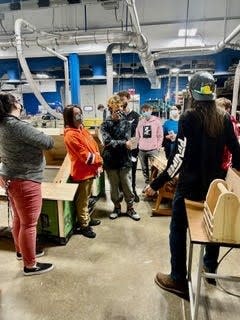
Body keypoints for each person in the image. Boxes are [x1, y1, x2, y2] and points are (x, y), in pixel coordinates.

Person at [145, 71, 240, 299]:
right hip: (213, 188)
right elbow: (237, 154)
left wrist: (156, 184)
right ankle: (210, 268)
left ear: (191, 92)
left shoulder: (188, 118)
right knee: (213, 227)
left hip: (188, 187)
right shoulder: (223, 117)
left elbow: (177, 158)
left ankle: (178, 278)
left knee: (178, 229)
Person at [0, 93, 54, 276]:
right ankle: (30, 265)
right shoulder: (17, 126)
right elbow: (48, 142)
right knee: (29, 224)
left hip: (9, 176)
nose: (20, 103)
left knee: (19, 219)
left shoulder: (2, 125)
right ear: (13, 105)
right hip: (25, 179)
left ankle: (21, 251)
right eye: (17, 100)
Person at [63, 105, 103, 238]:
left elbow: (94, 147)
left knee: (87, 198)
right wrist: (100, 159)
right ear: (69, 118)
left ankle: (86, 218)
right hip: (82, 173)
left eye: (80, 113)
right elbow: (87, 157)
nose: (80, 116)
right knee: (82, 201)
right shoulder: (71, 136)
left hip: (90, 171)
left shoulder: (82, 130)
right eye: (76, 114)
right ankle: (84, 225)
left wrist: (97, 159)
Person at [101, 95, 140, 221]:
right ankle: (117, 207)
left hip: (125, 160)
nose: (119, 110)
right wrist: (123, 143)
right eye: (115, 108)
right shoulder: (106, 124)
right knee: (114, 187)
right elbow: (107, 142)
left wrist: (129, 143)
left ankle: (130, 208)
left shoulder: (126, 123)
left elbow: (129, 139)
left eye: (121, 107)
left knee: (127, 185)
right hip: (110, 160)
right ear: (110, 108)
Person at [118, 91, 140, 202]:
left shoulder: (136, 116)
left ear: (128, 99)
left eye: (123, 99)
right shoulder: (117, 115)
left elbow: (138, 133)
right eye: (119, 100)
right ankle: (121, 191)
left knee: (132, 170)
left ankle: (133, 191)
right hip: (120, 149)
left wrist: (134, 148)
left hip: (132, 149)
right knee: (121, 171)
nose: (121, 101)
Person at [135, 104, 163, 189]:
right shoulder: (140, 122)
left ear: (151, 110)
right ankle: (147, 183)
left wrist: (158, 147)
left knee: (154, 168)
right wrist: (136, 145)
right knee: (144, 168)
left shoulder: (157, 121)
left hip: (153, 149)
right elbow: (137, 135)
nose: (145, 113)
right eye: (143, 111)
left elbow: (160, 135)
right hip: (142, 150)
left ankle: (153, 185)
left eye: (147, 110)